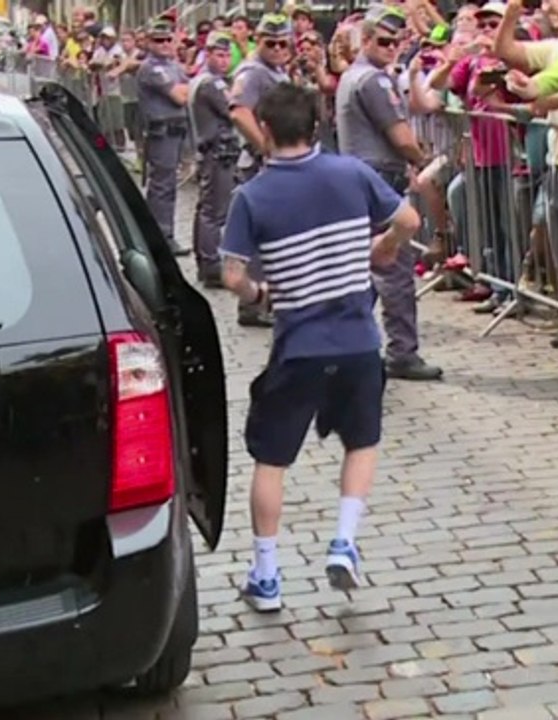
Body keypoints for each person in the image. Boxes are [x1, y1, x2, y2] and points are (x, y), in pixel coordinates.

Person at [219, 84, 421, 611]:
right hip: (357, 341)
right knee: (362, 441)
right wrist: (384, 247)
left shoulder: (252, 196)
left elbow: (231, 271)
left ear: (264, 129)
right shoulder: (351, 173)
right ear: (316, 126)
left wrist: (259, 294)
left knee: (271, 459)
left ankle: (266, 575)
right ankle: (344, 541)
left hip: (297, 344)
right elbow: (408, 220)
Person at [335, 5, 444, 381]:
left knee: (367, 267)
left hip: (364, 180)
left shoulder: (355, 76)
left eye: (397, 41)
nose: (392, 48)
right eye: (383, 41)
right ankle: (402, 352)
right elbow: (398, 135)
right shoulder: (373, 81)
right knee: (394, 271)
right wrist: (422, 155)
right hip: (379, 181)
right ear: (365, 40)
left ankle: (347, 343)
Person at [228, 13, 294, 327]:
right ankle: (252, 304)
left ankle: (268, 298)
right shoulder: (252, 72)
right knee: (258, 234)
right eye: (271, 43)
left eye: (284, 43)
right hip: (260, 163)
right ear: (258, 40)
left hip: (277, 162)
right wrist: (267, 149)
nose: (279, 48)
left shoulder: (277, 71)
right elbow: (239, 112)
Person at [136, 18, 192, 257]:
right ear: (149, 42)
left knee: (168, 186)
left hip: (177, 130)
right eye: (159, 40)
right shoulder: (151, 68)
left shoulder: (174, 66)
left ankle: (161, 235)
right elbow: (181, 96)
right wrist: (183, 89)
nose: (165, 44)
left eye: (168, 39)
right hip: (161, 132)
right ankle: (160, 237)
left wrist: (184, 89)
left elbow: (190, 89)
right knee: (161, 187)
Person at [187, 32, 238, 288]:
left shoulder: (202, 80)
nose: (224, 60)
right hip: (217, 152)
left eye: (228, 55)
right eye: (219, 55)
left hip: (213, 151)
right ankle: (210, 264)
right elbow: (233, 109)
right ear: (208, 54)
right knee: (214, 212)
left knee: (206, 208)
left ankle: (205, 261)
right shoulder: (212, 84)